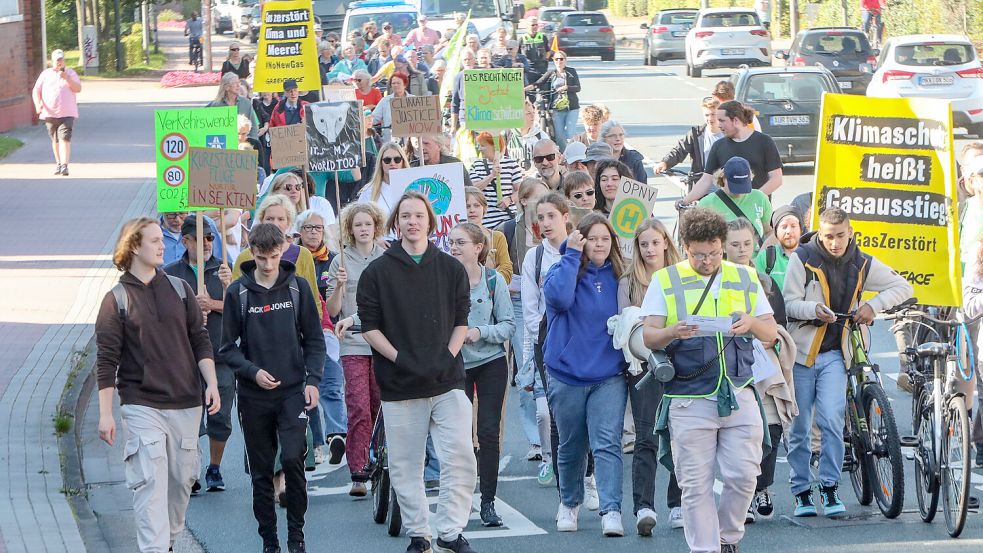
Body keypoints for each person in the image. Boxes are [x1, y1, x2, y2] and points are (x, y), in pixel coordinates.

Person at [641, 207, 777, 553]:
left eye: (715, 252)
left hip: (738, 390)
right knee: (695, 485)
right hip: (687, 396)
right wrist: (674, 331)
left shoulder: (745, 276)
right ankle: (706, 549)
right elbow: (649, 336)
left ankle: (727, 537)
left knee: (745, 475)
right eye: (700, 254)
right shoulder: (666, 279)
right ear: (685, 246)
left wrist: (750, 322)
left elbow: (771, 333)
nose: (708, 260)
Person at [357, 191, 478, 553]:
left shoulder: (451, 268)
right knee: (406, 463)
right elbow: (369, 325)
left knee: (459, 456)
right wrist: (399, 358)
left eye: (419, 216)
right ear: (397, 223)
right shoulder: (377, 271)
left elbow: (461, 318)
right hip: (400, 382)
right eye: (406, 216)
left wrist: (447, 355)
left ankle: (450, 531)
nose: (413, 222)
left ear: (431, 222)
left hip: (447, 378)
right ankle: (419, 533)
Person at [96, 217, 220, 553]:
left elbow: (200, 339)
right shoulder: (116, 300)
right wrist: (106, 414)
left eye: (161, 241)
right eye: (154, 240)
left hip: (187, 403)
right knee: (150, 483)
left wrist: (211, 382)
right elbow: (107, 361)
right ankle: (154, 548)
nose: (162, 245)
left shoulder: (180, 289)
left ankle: (167, 543)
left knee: (181, 483)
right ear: (134, 246)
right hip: (141, 405)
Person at [784, 207, 912, 518]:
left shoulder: (862, 261)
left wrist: (873, 304)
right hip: (802, 353)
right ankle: (801, 490)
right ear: (819, 233)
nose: (835, 242)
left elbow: (903, 287)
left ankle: (829, 487)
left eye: (841, 235)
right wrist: (813, 309)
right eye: (829, 236)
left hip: (836, 353)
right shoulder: (802, 258)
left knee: (831, 418)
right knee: (800, 427)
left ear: (850, 232)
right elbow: (788, 303)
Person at [220, 223, 325, 553]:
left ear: (284, 249)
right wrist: (252, 372)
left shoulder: (298, 287)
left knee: (294, 460)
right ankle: (270, 541)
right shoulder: (238, 291)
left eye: (275, 257)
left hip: (293, 390)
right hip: (254, 396)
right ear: (252, 252)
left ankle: (297, 536)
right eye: (262, 258)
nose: (268, 265)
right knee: (262, 472)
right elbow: (227, 348)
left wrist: (313, 381)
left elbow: (315, 340)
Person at [542, 213, 627, 535]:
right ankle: (570, 503)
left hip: (609, 375)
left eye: (606, 239)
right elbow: (559, 299)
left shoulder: (620, 275)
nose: (600, 245)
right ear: (581, 239)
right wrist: (572, 254)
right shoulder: (561, 270)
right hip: (567, 375)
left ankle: (611, 510)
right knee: (572, 445)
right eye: (593, 238)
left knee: (607, 444)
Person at [722, 217, 795, 524]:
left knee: (772, 427)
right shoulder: (718, 279)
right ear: (724, 247)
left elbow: (778, 324)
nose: (741, 250)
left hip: (765, 366)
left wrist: (770, 338)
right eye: (735, 244)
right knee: (738, 433)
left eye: (746, 244)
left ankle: (760, 487)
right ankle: (742, 492)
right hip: (729, 364)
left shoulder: (764, 281)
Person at [616, 218, 685, 534]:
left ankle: (679, 504)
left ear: (666, 243)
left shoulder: (682, 276)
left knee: (681, 436)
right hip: (643, 368)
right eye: (644, 244)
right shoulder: (628, 281)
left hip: (682, 364)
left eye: (655, 242)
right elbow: (627, 325)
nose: (649, 249)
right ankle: (644, 506)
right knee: (647, 437)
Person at [447, 222, 516, 527]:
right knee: (458, 435)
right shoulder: (442, 280)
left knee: (487, 432)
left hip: (490, 361)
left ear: (478, 248)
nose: (453, 247)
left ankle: (488, 501)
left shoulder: (492, 280)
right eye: (451, 242)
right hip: (454, 364)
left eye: (460, 242)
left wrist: (480, 331)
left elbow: (508, 325)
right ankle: (459, 502)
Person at [162, 215, 234, 493]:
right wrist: (192, 311)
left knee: (221, 418)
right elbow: (162, 314)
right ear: (185, 240)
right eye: (200, 238)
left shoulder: (224, 270)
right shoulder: (170, 273)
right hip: (186, 358)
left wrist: (217, 300)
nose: (206, 243)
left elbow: (241, 309)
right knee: (189, 418)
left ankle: (214, 467)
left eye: (210, 238)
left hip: (222, 354)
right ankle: (190, 467)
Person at [327, 203, 387, 495]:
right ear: (350, 229)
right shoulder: (339, 260)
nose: (363, 229)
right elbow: (333, 309)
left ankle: (381, 464)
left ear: (376, 226)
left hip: (383, 343)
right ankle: (358, 471)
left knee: (379, 407)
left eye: (368, 224)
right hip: (352, 341)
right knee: (359, 406)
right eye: (358, 224)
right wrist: (338, 286)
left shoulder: (387, 257)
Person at [519, 193, 572, 488]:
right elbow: (530, 305)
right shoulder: (534, 256)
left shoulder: (576, 249)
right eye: (541, 218)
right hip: (548, 340)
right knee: (551, 407)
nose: (546, 223)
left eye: (551, 216)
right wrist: (539, 338)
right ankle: (557, 468)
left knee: (577, 407)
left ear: (565, 216)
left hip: (578, 339)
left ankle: (585, 475)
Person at [296, 209, 348, 465]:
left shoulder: (335, 260)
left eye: (318, 227)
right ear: (299, 232)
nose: (313, 232)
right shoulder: (290, 258)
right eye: (307, 228)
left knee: (331, 385)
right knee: (308, 389)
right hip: (299, 333)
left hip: (329, 332)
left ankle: (336, 434)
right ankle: (316, 441)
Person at [683, 101, 784, 203]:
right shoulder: (719, 146)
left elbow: (776, 179)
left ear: (735, 120)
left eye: (722, 121)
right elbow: (706, 181)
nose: (719, 125)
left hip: (757, 209)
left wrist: (753, 199)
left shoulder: (764, 141)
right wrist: (685, 201)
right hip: (728, 210)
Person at [696, 157, 773, 248]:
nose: (739, 192)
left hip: (755, 259)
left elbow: (768, 231)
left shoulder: (760, 198)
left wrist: (764, 252)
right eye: (735, 185)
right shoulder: (707, 204)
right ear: (723, 178)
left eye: (743, 184)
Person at [33, 49, 81, 176]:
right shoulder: (45, 74)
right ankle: (59, 164)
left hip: (67, 112)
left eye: (61, 60)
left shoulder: (70, 73)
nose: (60, 62)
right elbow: (36, 90)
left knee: (65, 137)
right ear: (52, 61)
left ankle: (65, 166)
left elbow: (78, 89)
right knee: (55, 140)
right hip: (49, 113)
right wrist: (38, 104)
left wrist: (67, 78)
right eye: (57, 60)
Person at [654, 96, 723, 179]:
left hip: (724, 183)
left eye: (713, 114)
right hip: (700, 182)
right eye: (707, 115)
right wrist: (665, 162)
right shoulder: (696, 134)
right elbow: (680, 150)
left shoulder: (729, 134)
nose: (710, 118)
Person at [525, 52, 581, 147]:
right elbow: (538, 83)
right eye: (556, 59)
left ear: (565, 60)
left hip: (572, 107)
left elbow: (578, 87)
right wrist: (525, 89)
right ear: (554, 61)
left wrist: (566, 87)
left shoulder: (571, 72)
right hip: (557, 109)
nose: (559, 61)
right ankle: (564, 156)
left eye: (561, 59)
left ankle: (572, 153)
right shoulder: (551, 73)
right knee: (559, 136)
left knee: (569, 133)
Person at [469, 131, 521, 229]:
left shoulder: (512, 164)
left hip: (508, 222)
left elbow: (521, 191)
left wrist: (509, 199)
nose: (480, 149)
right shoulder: (476, 165)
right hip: (485, 224)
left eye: (483, 145)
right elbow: (473, 189)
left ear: (494, 146)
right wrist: (491, 176)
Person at [464, 186, 514, 282]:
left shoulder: (497, 237)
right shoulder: (453, 240)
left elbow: (506, 269)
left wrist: (487, 281)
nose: (472, 210)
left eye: (477, 205)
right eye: (467, 206)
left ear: (485, 208)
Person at [358, 142, 410, 224]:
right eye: (387, 160)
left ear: (403, 162)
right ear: (380, 163)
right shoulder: (368, 191)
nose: (392, 163)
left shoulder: (413, 188)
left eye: (397, 159)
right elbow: (360, 220)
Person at [754, 205, 803, 290]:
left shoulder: (809, 256)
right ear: (776, 231)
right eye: (784, 227)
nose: (789, 231)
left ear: (801, 229)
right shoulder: (766, 257)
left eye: (793, 226)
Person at [208, 73, 259, 141]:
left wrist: (253, 142)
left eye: (239, 82)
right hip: (223, 143)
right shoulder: (215, 105)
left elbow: (254, 126)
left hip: (243, 144)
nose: (238, 86)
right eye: (235, 83)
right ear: (226, 87)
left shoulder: (246, 103)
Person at [372, 73, 412, 143]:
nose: (396, 85)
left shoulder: (413, 100)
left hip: (410, 144)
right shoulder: (385, 101)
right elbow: (374, 118)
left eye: (398, 83)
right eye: (393, 83)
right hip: (389, 143)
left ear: (405, 85)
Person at [522, 17, 550, 85]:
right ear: (527, 26)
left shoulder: (543, 37)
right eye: (532, 25)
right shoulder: (522, 39)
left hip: (542, 67)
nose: (535, 27)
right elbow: (519, 55)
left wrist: (545, 60)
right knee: (531, 92)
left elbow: (548, 51)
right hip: (529, 69)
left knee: (544, 91)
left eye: (536, 25)